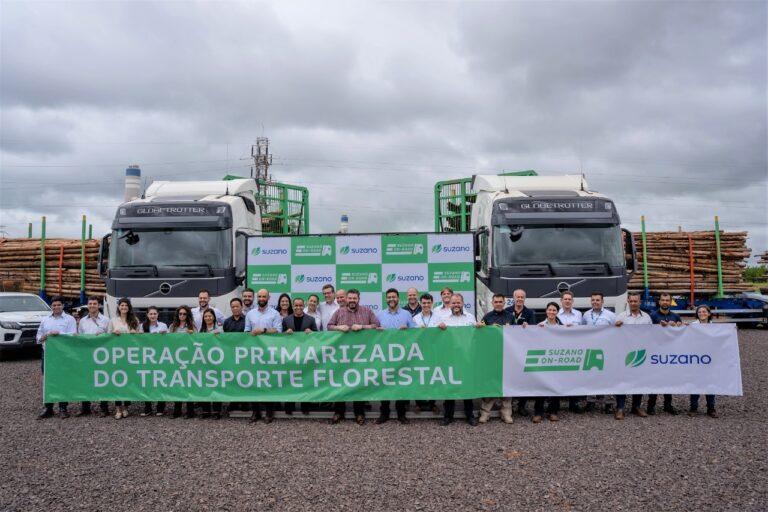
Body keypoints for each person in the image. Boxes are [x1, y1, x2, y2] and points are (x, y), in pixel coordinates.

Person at [327, 289, 381, 425]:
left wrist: (363, 326)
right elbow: (329, 326)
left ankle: (359, 413)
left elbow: (377, 325)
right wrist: (339, 328)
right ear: (346, 299)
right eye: (350, 298)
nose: (352, 300)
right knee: (340, 382)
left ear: (358, 299)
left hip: (361, 355)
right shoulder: (339, 312)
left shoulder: (367, 311)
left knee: (358, 382)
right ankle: (339, 412)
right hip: (342, 355)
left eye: (354, 298)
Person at [437, 293, 479, 426]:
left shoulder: (471, 317)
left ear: (462, 303)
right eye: (453, 303)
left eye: (458, 303)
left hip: (467, 358)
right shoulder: (444, 319)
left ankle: (470, 415)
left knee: (467, 387)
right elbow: (438, 338)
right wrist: (440, 328)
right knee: (450, 387)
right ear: (450, 304)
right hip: (450, 358)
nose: (456, 305)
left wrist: (478, 328)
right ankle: (448, 416)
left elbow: (476, 336)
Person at [375, 288, 415, 424]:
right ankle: (384, 413)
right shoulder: (379, 315)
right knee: (384, 382)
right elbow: (373, 334)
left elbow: (416, 332)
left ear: (398, 298)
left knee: (401, 383)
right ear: (386, 299)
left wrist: (408, 329)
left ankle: (401, 413)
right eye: (389, 297)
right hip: (384, 355)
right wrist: (377, 330)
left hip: (402, 356)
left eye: (394, 297)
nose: (391, 299)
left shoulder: (407, 314)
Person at [245, 289, 283, 423]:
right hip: (254, 354)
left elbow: (278, 331)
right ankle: (255, 412)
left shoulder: (275, 314)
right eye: (259, 296)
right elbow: (246, 332)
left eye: (264, 296)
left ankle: (269, 413)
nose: (261, 298)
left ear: (268, 297)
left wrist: (264, 330)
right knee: (254, 383)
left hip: (269, 354)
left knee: (268, 383)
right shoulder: (250, 314)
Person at [36, 296, 77, 419]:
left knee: (63, 380)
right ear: (51, 307)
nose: (56, 307)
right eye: (54, 305)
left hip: (64, 355)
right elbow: (38, 337)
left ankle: (63, 408)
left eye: (59, 305)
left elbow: (73, 335)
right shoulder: (45, 320)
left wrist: (59, 334)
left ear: (63, 306)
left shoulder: (70, 319)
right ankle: (48, 408)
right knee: (48, 380)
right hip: (48, 354)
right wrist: (46, 336)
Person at [477, 294, 515, 424]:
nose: (498, 303)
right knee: (490, 383)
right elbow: (480, 336)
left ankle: (506, 412)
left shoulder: (511, 317)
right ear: (492, 303)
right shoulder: (487, 317)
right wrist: (480, 328)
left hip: (507, 354)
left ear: (504, 303)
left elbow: (517, 336)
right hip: (491, 355)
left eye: (500, 302)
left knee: (507, 383)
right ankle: (485, 413)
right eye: (496, 302)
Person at [614, 292, 651, 419]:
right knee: (622, 380)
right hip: (625, 353)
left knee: (639, 380)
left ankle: (636, 407)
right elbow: (613, 335)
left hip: (640, 353)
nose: (634, 303)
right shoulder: (621, 317)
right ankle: (620, 408)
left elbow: (652, 334)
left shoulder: (646, 318)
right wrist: (616, 326)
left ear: (640, 302)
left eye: (636, 301)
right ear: (628, 302)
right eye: (631, 301)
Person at [580, 292, 616, 414]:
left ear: (602, 301)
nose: (595, 302)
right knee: (591, 375)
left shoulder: (611, 315)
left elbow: (616, 331)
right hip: (590, 350)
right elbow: (583, 330)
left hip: (606, 350)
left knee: (607, 376)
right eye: (593, 300)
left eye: (598, 300)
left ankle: (609, 403)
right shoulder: (586, 315)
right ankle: (591, 401)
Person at [647, 292, 682, 416]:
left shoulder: (676, 317)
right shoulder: (652, 316)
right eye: (663, 300)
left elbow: (681, 335)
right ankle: (651, 406)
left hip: (670, 353)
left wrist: (679, 326)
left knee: (669, 379)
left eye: (667, 300)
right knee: (655, 379)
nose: (665, 302)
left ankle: (668, 405)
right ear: (659, 302)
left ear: (670, 302)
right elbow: (646, 333)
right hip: (656, 353)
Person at [282, 297, 318, 415]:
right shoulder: (286, 320)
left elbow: (318, 337)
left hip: (306, 356)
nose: (298, 307)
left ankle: (305, 407)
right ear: (292, 306)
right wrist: (285, 334)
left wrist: (311, 333)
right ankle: (289, 407)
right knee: (290, 381)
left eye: (300, 305)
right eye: (296, 305)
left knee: (305, 381)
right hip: (290, 356)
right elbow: (279, 339)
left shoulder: (311, 319)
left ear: (304, 306)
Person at [76, 296, 110, 417]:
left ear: (98, 305)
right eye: (90, 304)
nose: (92, 306)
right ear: (87, 305)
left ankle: (104, 407)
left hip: (101, 355)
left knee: (102, 380)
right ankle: (85, 407)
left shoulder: (106, 320)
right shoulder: (83, 321)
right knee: (86, 379)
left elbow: (110, 338)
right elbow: (80, 337)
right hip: (87, 354)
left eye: (94, 304)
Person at [107, 297, 141, 419]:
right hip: (117, 354)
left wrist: (135, 333)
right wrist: (113, 333)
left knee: (128, 380)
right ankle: (117, 408)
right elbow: (107, 335)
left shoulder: (135, 320)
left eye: (126, 305)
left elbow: (140, 336)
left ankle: (126, 406)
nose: (124, 307)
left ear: (129, 307)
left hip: (130, 355)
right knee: (117, 380)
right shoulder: (113, 320)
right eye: (122, 305)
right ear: (118, 307)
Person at [505, 289, 536, 416]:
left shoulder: (530, 313)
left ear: (525, 298)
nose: (519, 299)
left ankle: (522, 405)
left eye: (522, 297)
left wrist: (528, 327)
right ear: (513, 298)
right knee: (510, 377)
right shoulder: (506, 311)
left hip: (524, 349)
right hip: (509, 349)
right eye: (517, 297)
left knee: (524, 377)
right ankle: (509, 404)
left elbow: (534, 330)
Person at [532, 302, 563, 423]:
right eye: (550, 310)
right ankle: (538, 412)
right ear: (546, 311)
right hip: (544, 359)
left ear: (557, 312)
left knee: (556, 386)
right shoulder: (540, 325)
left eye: (554, 310)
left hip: (557, 360)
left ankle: (553, 411)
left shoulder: (562, 327)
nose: (551, 312)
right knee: (541, 385)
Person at [412, 293, 441, 415]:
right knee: (419, 377)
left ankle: (432, 403)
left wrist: (443, 327)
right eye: (424, 303)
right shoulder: (415, 318)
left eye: (428, 303)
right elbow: (411, 336)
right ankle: (418, 404)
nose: (426, 305)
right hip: (419, 352)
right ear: (420, 303)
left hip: (434, 352)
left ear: (432, 303)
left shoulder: (438, 317)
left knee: (433, 377)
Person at [688, 305, 719, 418]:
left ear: (709, 313)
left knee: (710, 383)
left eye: (704, 311)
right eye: (699, 312)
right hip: (696, 359)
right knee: (695, 383)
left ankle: (711, 408)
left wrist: (732, 331)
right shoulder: (692, 326)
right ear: (697, 314)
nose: (702, 313)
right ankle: (693, 407)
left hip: (709, 360)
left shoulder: (715, 327)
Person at [558, 291, 585, 413]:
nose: (567, 301)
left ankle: (574, 403)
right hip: (560, 350)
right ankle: (556, 404)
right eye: (565, 299)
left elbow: (584, 330)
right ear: (561, 301)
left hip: (575, 349)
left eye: (569, 299)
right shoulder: (555, 314)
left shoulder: (579, 315)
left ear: (572, 301)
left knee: (574, 377)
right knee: (559, 376)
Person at [140, 306, 168, 417]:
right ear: (147, 315)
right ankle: (148, 408)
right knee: (147, 382)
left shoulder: (163, 326)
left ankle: (160, 408)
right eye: (150, 314)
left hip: (161, 358)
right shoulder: (142, 326)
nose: (152, 316)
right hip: (147, 358)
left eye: (154, 314)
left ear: (158, 314)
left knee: (161, 381)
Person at [169, 305, 196, 419]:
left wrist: (192, 335)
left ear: (188, 315)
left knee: (188, 384)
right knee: (177, 385)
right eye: (180, 314)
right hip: (175, 358)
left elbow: (198, 340)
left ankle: (190, 412)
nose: (182, 316)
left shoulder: (192, 326)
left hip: (188, 358)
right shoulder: (172, 327)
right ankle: (177, 411)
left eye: (184, 314)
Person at [223, 298, 247, 414]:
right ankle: (233, 402)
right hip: (231, 355)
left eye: (237, 306)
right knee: (233, 378)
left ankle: (245, 403)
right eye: (233, 307)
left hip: (245, 355)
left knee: (245, 378)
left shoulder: (247, 320)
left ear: (241, 307)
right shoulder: (227, 322)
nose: (235, 309)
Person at [199, 309, 223, 419]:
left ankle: (217, 410)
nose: (208, 318)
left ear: (213, 317)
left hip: (217, 361)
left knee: (216, 385)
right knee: (205, 385)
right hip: (204, 361)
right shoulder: (201, 331)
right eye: (206, 316)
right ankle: (206, 410)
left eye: (210, 316)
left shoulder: (220, 329)